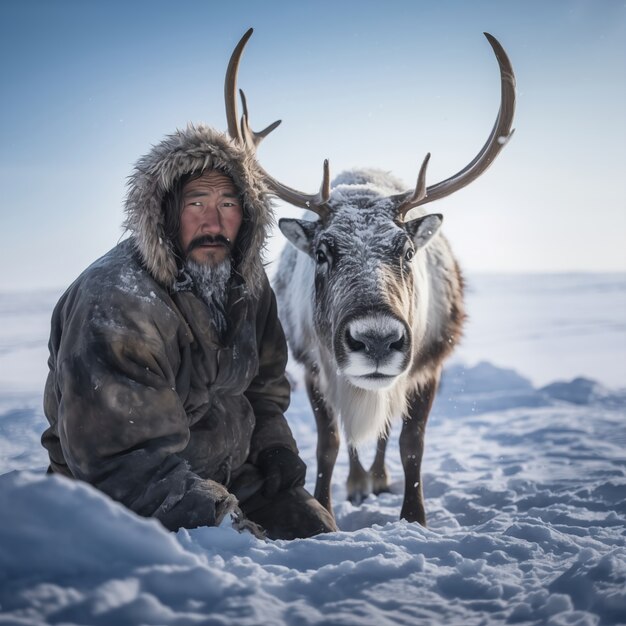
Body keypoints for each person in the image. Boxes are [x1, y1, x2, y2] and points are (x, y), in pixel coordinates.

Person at [41, 124, 338, 540]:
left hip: (231, 476)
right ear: (163, 213)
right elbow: (118, 460)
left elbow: (264, 388)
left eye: (228, 203)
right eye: (195, 202)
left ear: (248, 214)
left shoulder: (247, 285)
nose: (213, 222)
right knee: (243, 566)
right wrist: (221, 521)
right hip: (119, 499)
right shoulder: (117, 302)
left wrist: (274, 448)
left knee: (314, 533)